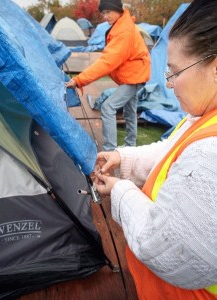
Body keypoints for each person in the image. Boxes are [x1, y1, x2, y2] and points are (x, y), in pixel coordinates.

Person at [94, 0, 217, 299]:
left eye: (174, 71)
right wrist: (124, 158)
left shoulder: (211, 155)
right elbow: (175, 151)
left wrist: (121, 191)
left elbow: (164, 245)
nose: (170, 84)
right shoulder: (204, 117)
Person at [66, 0, 151, 151]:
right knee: (130, 111)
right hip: (134, 75)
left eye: (108, 12)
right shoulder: (121, 25)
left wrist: (79, 80)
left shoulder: (123, 32)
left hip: (134, 77)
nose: (105, 16)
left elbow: (107, 62)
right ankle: (131, 148)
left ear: (118, 10)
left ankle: (110, 150)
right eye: (103, 13)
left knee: (108, 107)